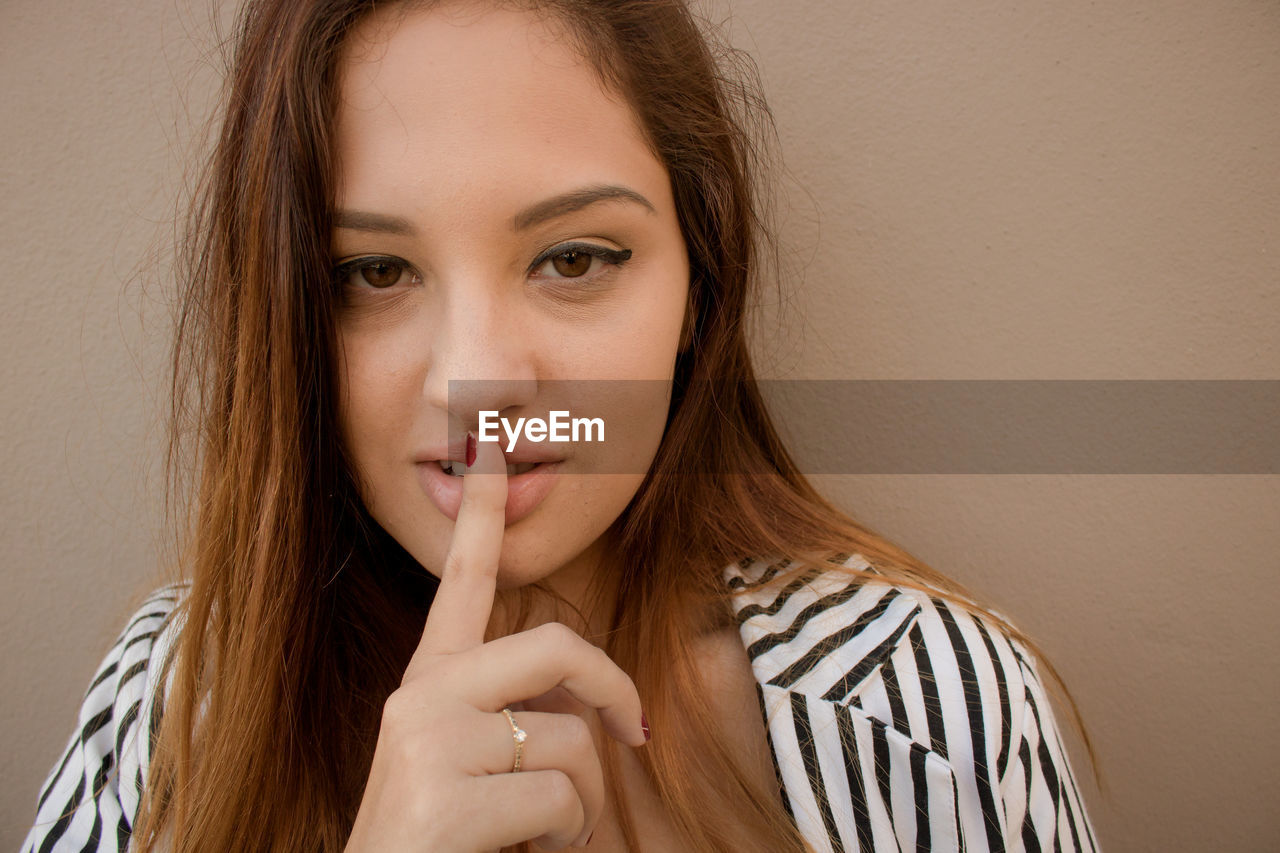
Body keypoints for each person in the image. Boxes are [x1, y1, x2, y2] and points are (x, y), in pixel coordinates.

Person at [22, 0, 1100, 851]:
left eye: (573, 258)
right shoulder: (177, 698)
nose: (480, 380)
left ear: (700, 289)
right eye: (374, 271)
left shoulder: (924, 699)